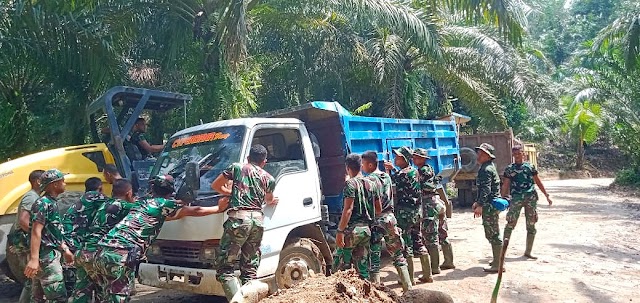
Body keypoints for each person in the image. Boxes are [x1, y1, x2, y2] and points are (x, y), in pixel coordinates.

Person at [94, 175, 196, 302]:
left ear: (152, 189)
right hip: (120, 253)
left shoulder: (142, 204)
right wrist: (218, 208)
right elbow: (191, 208)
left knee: (107, 295)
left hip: (102, 250)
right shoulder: (164, 203)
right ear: (171, 190)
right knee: (119, 295)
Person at [208, 144, 278, 301]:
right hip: (258, 222)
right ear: (264, 161)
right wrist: (272, 201)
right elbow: (269, 199)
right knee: (250, 270)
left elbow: (215, 185)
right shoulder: (269, 178)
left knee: (225, 269)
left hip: (239, 220)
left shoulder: (237, 168)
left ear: (248, 158)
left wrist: (231, 193)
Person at [69, 179, 139, 303]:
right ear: (129, 193)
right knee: (112, 291)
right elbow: (149, 211)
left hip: (83, 251)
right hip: (100, 254)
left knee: (81, 292)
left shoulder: (104, 204)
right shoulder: (124, 205)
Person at [361, 151, 412, 291]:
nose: (362, 167)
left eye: (363, 164)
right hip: (390, 218)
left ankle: (376, 291)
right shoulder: (387, 177)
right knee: (398, 255)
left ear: (370, 164)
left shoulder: (369, 180)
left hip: (377, 221)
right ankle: (408, 288)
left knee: (374, 258)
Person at [24, 169, 75, 302]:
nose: (65, 184)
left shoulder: (51, 203)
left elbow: (53, 232)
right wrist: (34, 259)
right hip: (46, 258)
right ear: (54, 185)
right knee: (58, 297)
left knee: (37, 298)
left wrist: (65, 250)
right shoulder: (43, 204)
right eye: (62, 181)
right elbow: (36, 231)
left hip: (49, 255)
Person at [384, 146, 431, 284]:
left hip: (406, 214)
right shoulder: (414, 171)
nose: (395, 159)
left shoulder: (403, 174)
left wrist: (391, 170)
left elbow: (393, 181)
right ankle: (428, 274)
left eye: (398, 157)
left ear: (404, 159)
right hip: (416, 212)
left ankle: (410, 278)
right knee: (418, 241)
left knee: (407, 245)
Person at [502, 145, 552, 259]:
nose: (517, 156)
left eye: (519, 154)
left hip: (531, 198)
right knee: (510, 224)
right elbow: (505, 184)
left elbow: (538, 182)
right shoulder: (510, 169)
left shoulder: (530, 167)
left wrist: (546, 195)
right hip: (516, 198)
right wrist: (501, 199)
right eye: (515, 154)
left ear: (523, 154)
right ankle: (502, 252)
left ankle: (528, 251)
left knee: (531, 225)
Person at [334, 154, 379, 280]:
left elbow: (348, 209)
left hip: (352, 231)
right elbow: (378, 208)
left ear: (347, 168)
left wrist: (340, 231)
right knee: (362, 268)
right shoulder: (371, 183)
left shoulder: (350, 184)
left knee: (340, 266)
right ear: (360, 166)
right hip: (366, 231)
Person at [6, 169, 44, 303]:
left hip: (23, 241)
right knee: (32, 278)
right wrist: (36, 235)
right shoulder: (31, 197)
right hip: (23, 242)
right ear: (38, 181)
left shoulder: (34, 196)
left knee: (33, 279)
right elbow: (23, 221)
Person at [412, 148, 446, 276]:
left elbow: (419, 185)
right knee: (439, 233)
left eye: (416, 157)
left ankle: (434, 267)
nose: (414, 160)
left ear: (422, 159)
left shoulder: (422, 171)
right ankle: (445, 262)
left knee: (430, 236)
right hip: (434, 202)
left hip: (429, 205)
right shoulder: (429, 168)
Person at [471, 143, 503, 273]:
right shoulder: (488, 167)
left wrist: (480, 205)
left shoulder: (486, 169)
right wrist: (477, 202)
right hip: (490, 204)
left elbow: (486, 189)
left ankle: (498, 264)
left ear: (488, 156)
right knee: (491, 233)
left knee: (493, 234)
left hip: (489, 205)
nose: (478, 156)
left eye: (481, 154)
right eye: (479, 153)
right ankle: (497, 261)